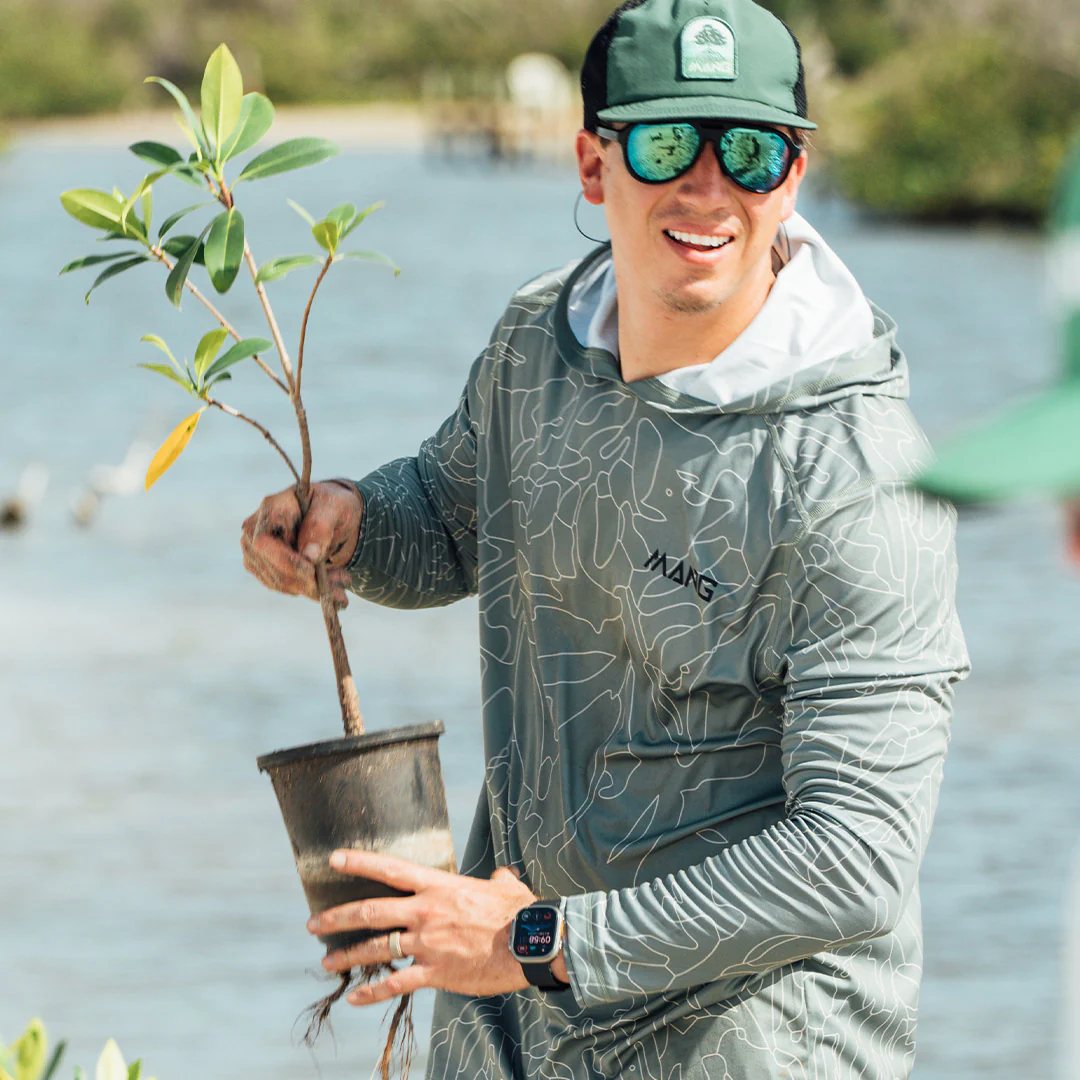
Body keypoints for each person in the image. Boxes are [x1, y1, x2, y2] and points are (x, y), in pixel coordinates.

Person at [241, 0, 970, 1075]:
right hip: (509, 1026)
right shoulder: (540, 339)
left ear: (794, 176)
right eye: (669, 143)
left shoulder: (862, 476)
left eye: (752, 151)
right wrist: (347, 526)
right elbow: (451, 516)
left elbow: (853, 859)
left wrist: (530, 941)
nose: (709, 188)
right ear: (593, 163)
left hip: (749, 1043)